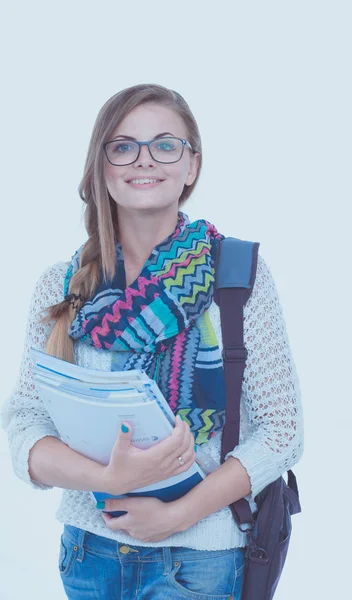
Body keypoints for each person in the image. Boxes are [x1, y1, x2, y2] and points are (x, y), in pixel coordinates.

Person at [1, 83, 304, 600]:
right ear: (101, 166)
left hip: (200, 560)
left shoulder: (236, 276)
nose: (145, 160)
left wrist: (178, 514)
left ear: (191, 167)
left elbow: (283, 433)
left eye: (166, 145)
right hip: (89, 554)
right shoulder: (63, 284)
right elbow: (25, 427)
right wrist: (109, 475)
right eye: (123, 146)